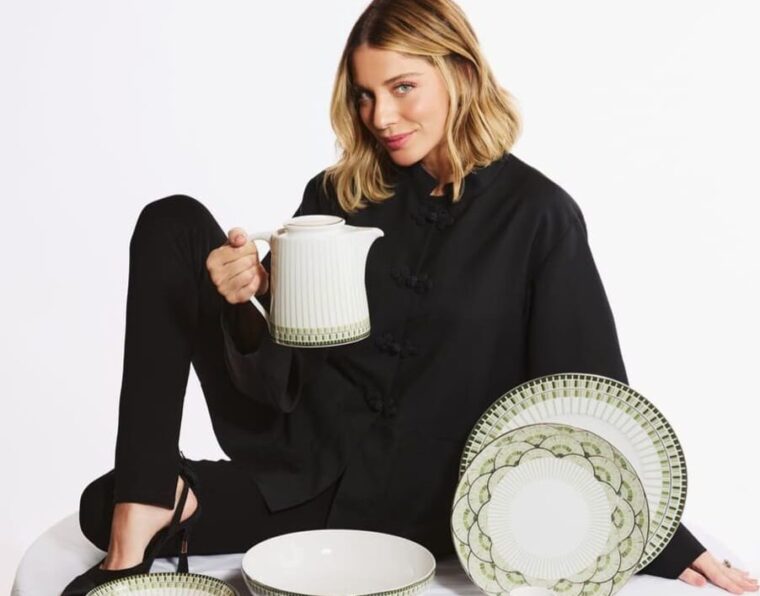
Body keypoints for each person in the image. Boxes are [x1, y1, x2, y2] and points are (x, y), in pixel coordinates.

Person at [63, 0, 759, 594]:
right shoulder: (336, 195)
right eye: (365, 95)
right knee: (171, 226)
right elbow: (280, 381)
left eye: (402, 88)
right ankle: (138, 528)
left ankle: (160, 508)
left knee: (128, 493)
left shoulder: (538, 216)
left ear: (460, 73)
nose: (381, 115)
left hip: (436, 508)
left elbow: (589, 392)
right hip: (309, 482)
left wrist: (666, 540)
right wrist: (256, 302)